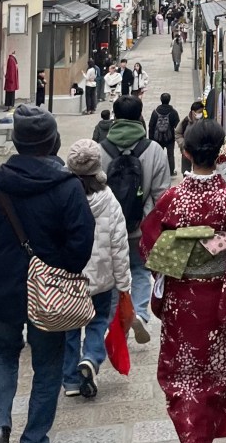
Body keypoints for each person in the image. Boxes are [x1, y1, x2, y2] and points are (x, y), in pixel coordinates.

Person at [0, 106, 95, 443]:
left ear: (18, 142)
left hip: (3, 291)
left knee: (3, 354)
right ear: (53, 141)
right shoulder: (67, 187)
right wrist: (61, 272)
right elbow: (82, 241)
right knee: (48, 365)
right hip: (50, 296)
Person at [140, 119, 226, 443]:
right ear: (221, 152)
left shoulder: (173, 199)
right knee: (214, 375)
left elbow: (150, 246)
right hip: (218, 301)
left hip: (182, 299)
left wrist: (180, 252)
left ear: (187, 153)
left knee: (182, 376)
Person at [63, 139, 133, 399]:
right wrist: (124, 282)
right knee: (98, 319)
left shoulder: (63, 197)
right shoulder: (108, 199)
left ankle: (70, 380)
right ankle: (91, 357)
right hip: (102, 276)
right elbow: (119, 243)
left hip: (70, 276)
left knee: (69, 328)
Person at [100, 94, 171, 343]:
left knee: (110, 275)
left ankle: (112, 321)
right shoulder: (154, 150)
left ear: (115, 117)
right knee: (140, 270)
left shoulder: (100, 149)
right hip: (142, 225)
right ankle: (140, 313)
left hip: (108, 227)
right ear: (140, 116)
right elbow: (162, 194)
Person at [149, 93, 181, 176]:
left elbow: (151, 126)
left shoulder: (155, 112)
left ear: (161, 99)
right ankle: (171, 171)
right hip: (169, 138)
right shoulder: (173, 112)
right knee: (170, 155)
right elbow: (177, 126)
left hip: (157, 138)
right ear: (169, 100)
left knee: (157, 156)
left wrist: (151, 138)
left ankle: (157, 171)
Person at [175, 101, 204, 174]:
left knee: (199, 170)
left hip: (199, 151)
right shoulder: (185, 122)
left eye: (202, 111)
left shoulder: (204, 122)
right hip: (186, 150)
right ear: (193, 112)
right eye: (199, 112)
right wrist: (182, 144)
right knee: (186, 171)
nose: (201, 114)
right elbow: (177, 133)